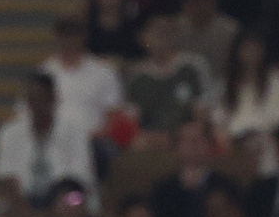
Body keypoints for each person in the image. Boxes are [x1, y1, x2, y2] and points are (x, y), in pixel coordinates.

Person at [0, 73, 97, 210]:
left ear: (53, 100)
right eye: (32, 100)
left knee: (74, 202)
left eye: (42, 99)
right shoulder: (9, 133)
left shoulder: (74, 132)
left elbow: (81, 180)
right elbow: (3, 177)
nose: (37, 106)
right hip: (22, 204)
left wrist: (61, 207)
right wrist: (23, 208)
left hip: (66, 203)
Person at [124, 15, 217, 145]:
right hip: (151, 138)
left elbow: (204, 109)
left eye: (166, 32)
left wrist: (181, 134)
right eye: (155, 33)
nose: (161, 39)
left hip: (186, 136)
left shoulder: (193, 66)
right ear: (143, 38)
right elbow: (131, 118)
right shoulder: (137, 76)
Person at [42, 15, 124, 145]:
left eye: (74, 33)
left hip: (93, 142)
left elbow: (114, 117)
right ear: (57, 36)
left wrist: (91, 137)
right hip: (53, 142)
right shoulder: (44, 73)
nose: (69, 39)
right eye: (65, 33)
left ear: (83, 36)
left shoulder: (104, 72)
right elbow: (27, 114)